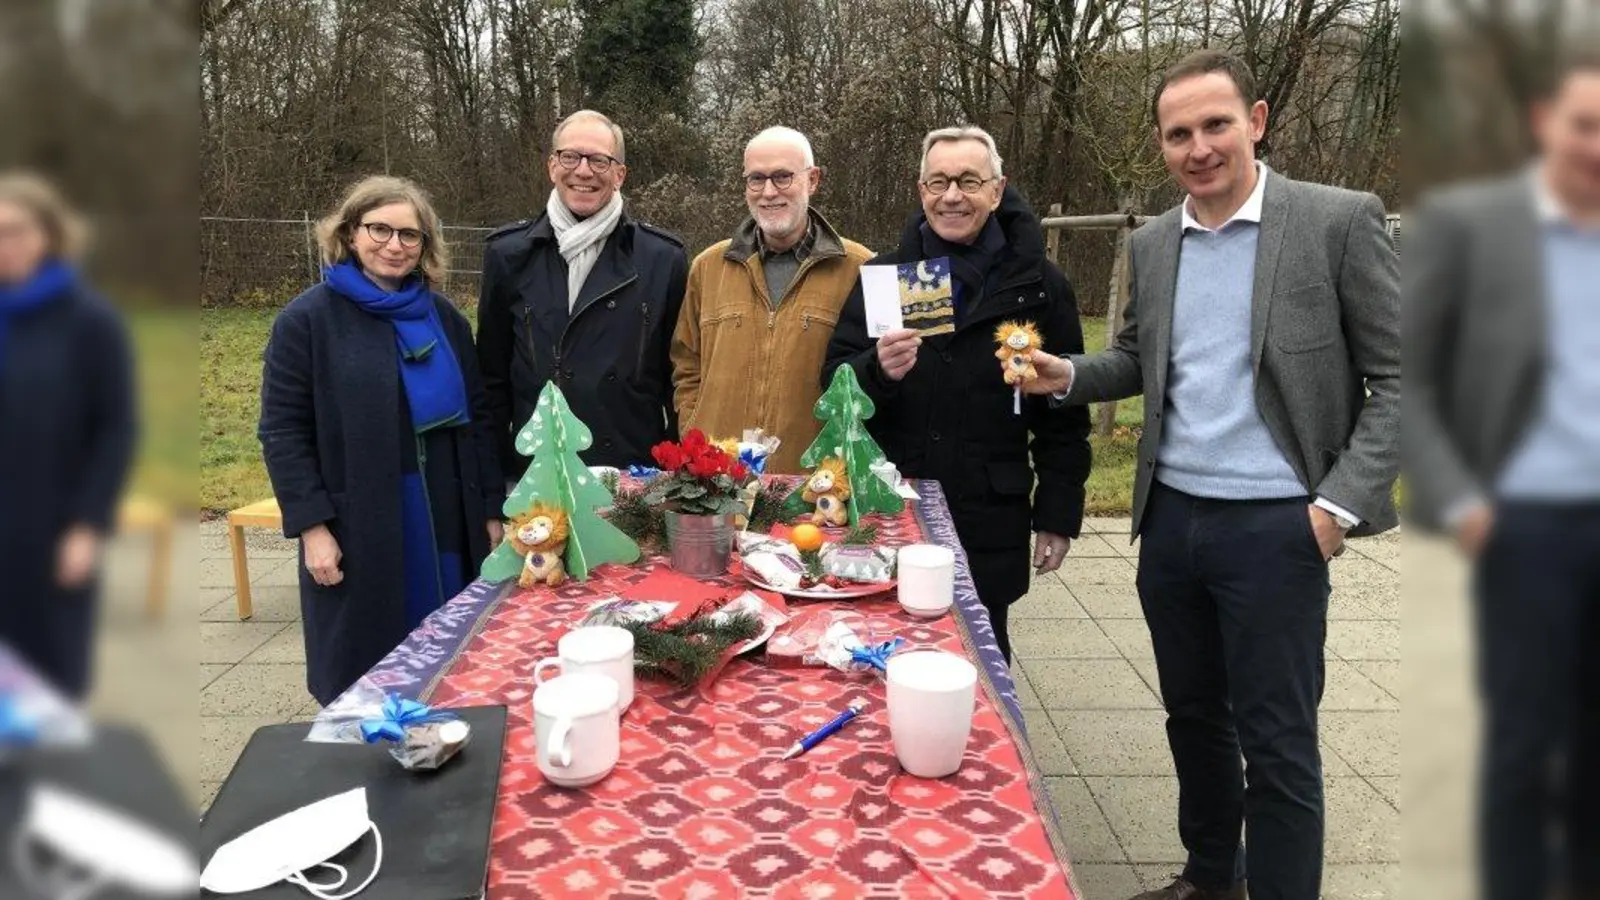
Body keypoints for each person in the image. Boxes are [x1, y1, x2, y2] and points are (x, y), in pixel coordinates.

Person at [1022, 50, 1400, 900]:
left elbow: (1404, 380)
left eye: (1216, 125)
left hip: (1279, 528)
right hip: (1172, 523)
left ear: (1257, 121)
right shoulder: (1156, 244)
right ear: (1161, 145)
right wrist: (1070, 375)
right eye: (1179, 133)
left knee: (1277, 743)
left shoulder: (1337, 222)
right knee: (1193, 719)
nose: (1199, 148)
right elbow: (1138, 359)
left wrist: (1335, 507)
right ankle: (1209, 878)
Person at [1405, 48, 1600, 900]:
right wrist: (1461, 500)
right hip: (1528, 528)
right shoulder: (1473, 231)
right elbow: (1407, 377)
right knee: (1524, 744)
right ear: (1543, 125)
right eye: (1585, 123)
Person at [824, 126, 1092, 663]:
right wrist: (878, 371)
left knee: (981, 657)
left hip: (989, 512)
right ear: (921, 189)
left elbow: (1065, 413)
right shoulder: (884, 275)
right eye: (938, 181)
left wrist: (1058, 515)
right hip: (895, 505)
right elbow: (832, 385)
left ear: (997, 190)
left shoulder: (1039, 284)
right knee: (884, 651)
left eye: (969, 181)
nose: (952, 195)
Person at [258, 175, 503, 707]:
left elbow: (479, 419)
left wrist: (489, 508)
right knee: (371, 663)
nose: (394, 245)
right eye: (379, 230)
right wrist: (312, 527)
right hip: (362, 517)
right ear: (349, 234)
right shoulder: (306, 321)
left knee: (452, 647)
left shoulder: (445, 319)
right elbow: (282, 431)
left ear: (425, 247)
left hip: (446, 508)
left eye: (409, 235)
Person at [476, 110, 688, 478]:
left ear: (620, 174)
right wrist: (491, 489)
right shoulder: (508, 254)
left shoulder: (662, 259)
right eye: (570, 157)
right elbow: (491, 383)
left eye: (599, 160)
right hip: (535, 475)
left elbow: (680, 383)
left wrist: (675, 478)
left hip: (633, 476)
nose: (584, 171)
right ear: (552, 166)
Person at [0, 171, 136, 701]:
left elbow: (116, 428)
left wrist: (87, 525)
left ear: (49, 235)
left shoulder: (89, 321)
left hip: (48, 526)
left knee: (46, 679)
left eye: (16, 231)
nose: (4, 245)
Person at [670, 127, 872, 473]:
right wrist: (693, 429)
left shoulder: (860, 269)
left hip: (816, 486)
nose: (768, 192)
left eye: (782, 177)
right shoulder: (708, 267)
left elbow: (877, 376)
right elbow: (686, 363)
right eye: (756, 179)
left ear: (813, 180)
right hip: (717, 484)